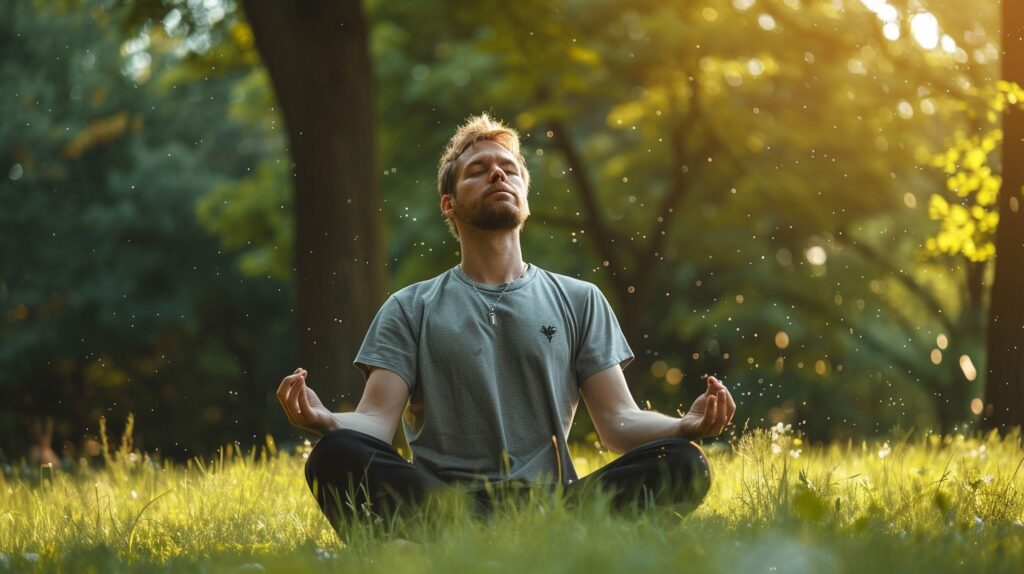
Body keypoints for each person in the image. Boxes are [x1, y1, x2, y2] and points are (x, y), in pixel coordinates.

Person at [276, 113, 737, 531]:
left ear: (525, 196)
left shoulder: (580, 299)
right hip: (447, 506)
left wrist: (683, 427)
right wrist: (325, 420)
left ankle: (509, 542)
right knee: (335, 455)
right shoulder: (409, 306)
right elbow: (377, 420)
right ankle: (457, 539)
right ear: (448, 205)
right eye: (477, 170)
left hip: (556, 508)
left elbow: (617, 422)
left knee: (682, 462)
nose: (498, 172)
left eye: (510, 168)